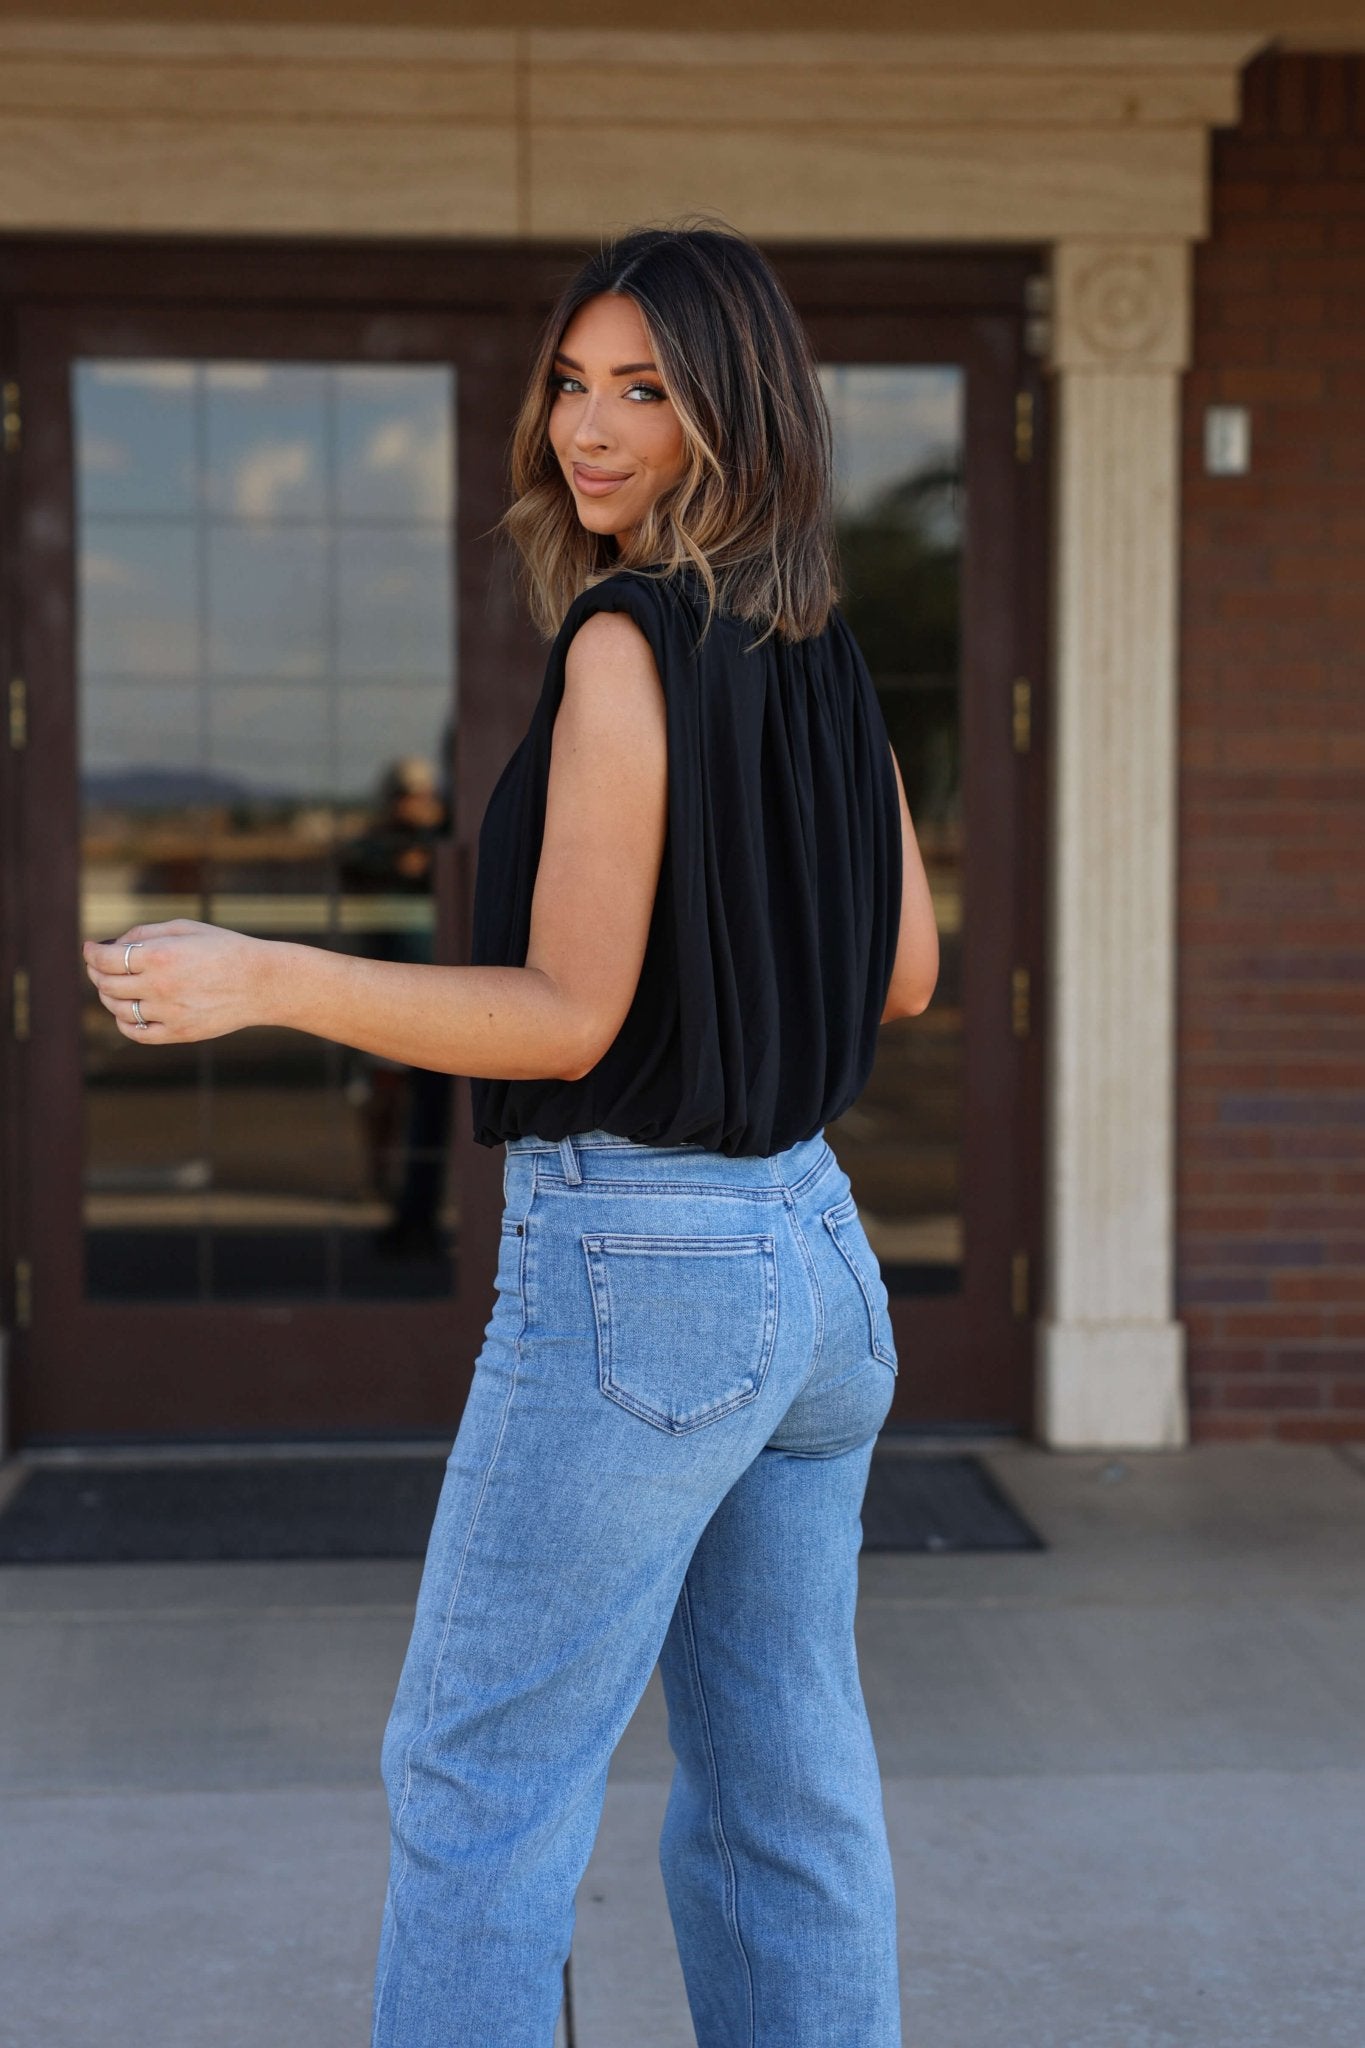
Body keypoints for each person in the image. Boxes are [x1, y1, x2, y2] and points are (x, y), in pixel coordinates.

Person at [79, 213, 940, 2047]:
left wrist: (264, 974)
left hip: (649, 1274)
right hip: (814, 1262)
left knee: (479, 1780)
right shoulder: (823, 646)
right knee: (785, 1785)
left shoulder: (629, 642)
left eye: (645, 390)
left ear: (737, 412)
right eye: (571, 383)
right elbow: (906, 972)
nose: (589, 429)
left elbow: (564, 1017)